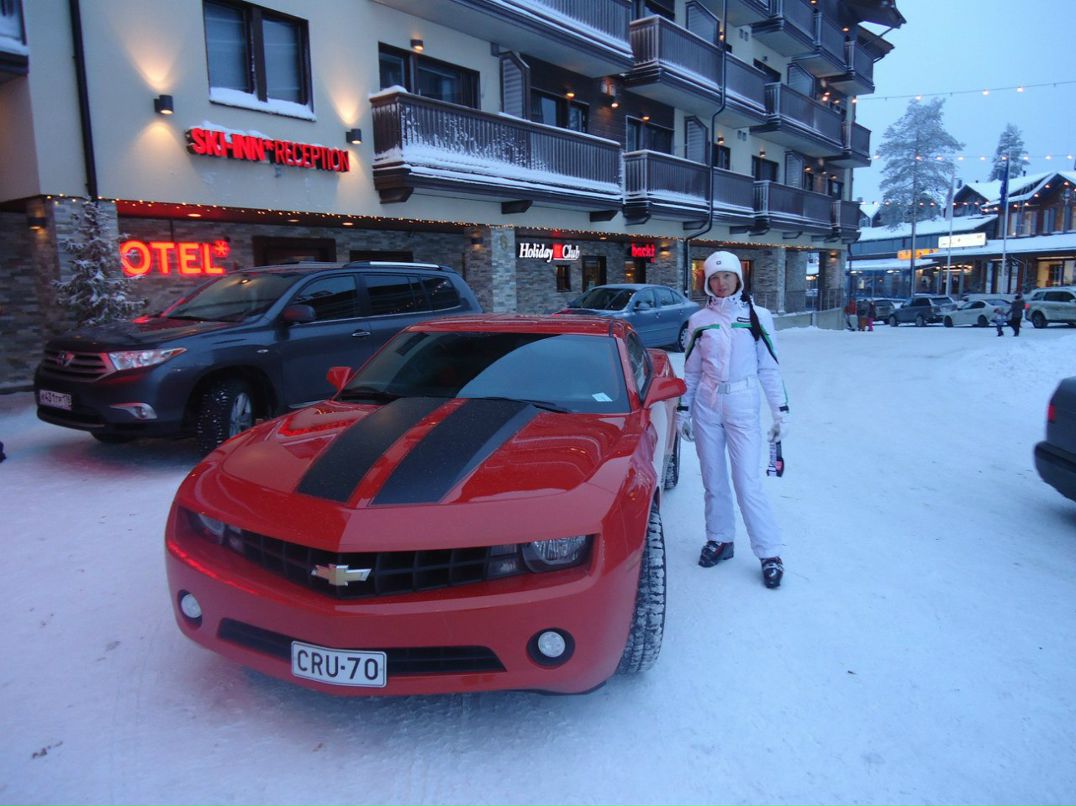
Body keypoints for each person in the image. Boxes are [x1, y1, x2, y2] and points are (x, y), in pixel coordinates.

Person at [677, 251, 789, 589]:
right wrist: (684, 409)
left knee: (746, 482)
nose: (722, 283)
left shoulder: (757, 316)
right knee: (713, 479)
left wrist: (780, 412)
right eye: (715, 277)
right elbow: (692, 371)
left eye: (727, 277)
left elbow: (769, 367)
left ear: (738, 279)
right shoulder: (699, 321)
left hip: (742, 404)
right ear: (707, 282)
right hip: (707, 407)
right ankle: (721, 539)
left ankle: (769, 553)